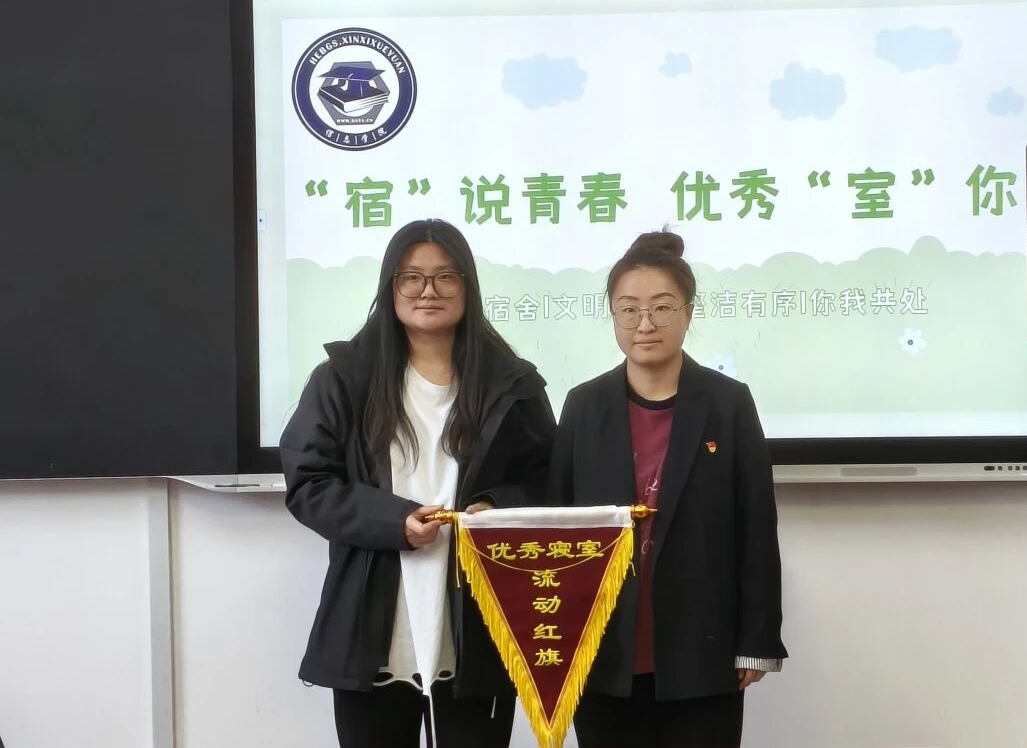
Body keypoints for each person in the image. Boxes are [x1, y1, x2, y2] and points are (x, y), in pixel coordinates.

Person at [280, 219, 555, 748]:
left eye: (445, 276)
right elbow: (309, 483)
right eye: (412, 277)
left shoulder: (512, 382)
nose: (428, 290)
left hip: (480, 618)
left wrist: (494, 507)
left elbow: (548, 481)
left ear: (467, 286)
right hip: (371, 620)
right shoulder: (343, 377)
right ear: (390, 286)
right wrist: (393, 522)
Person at [549, 230, 787, 748]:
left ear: (688, 312)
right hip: (603, 646)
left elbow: (756, 527)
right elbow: (558, 527)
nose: (645, 323)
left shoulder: (728, 403)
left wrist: (757, 639)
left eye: (661, 307)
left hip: (702, 647)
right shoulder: (583, 406)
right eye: (629, 309)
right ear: (613, 316)